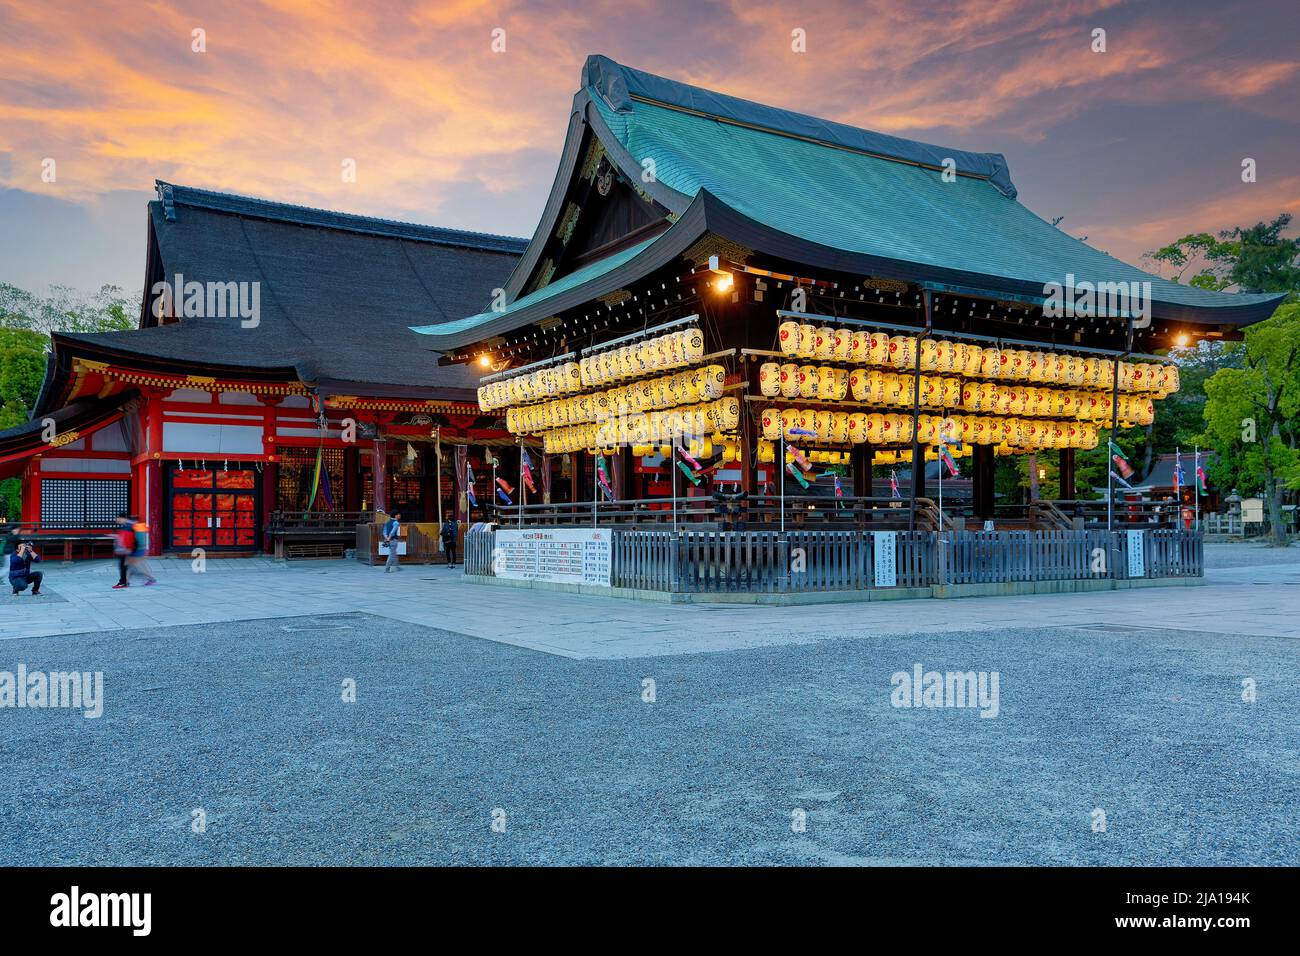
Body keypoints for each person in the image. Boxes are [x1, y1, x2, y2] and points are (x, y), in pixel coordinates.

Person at [128, 515, 157, 586]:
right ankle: (126, 580)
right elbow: (147, 539)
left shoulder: (135, 528)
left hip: (137, 550)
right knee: (135, 565)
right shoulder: (142, 527)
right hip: (142, 549)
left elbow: (135, 540)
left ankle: (151, 578)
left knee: (135, 565)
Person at [111, 512, 135, 589]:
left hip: (126, 549)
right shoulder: (128, 525)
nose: (117, 520)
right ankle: (124, 581)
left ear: (123, 518)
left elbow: (128, 538)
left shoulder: (128, 525)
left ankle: (123, 582)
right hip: (127, 548)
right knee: (125, 565)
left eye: (118, 518)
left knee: (123, 565)